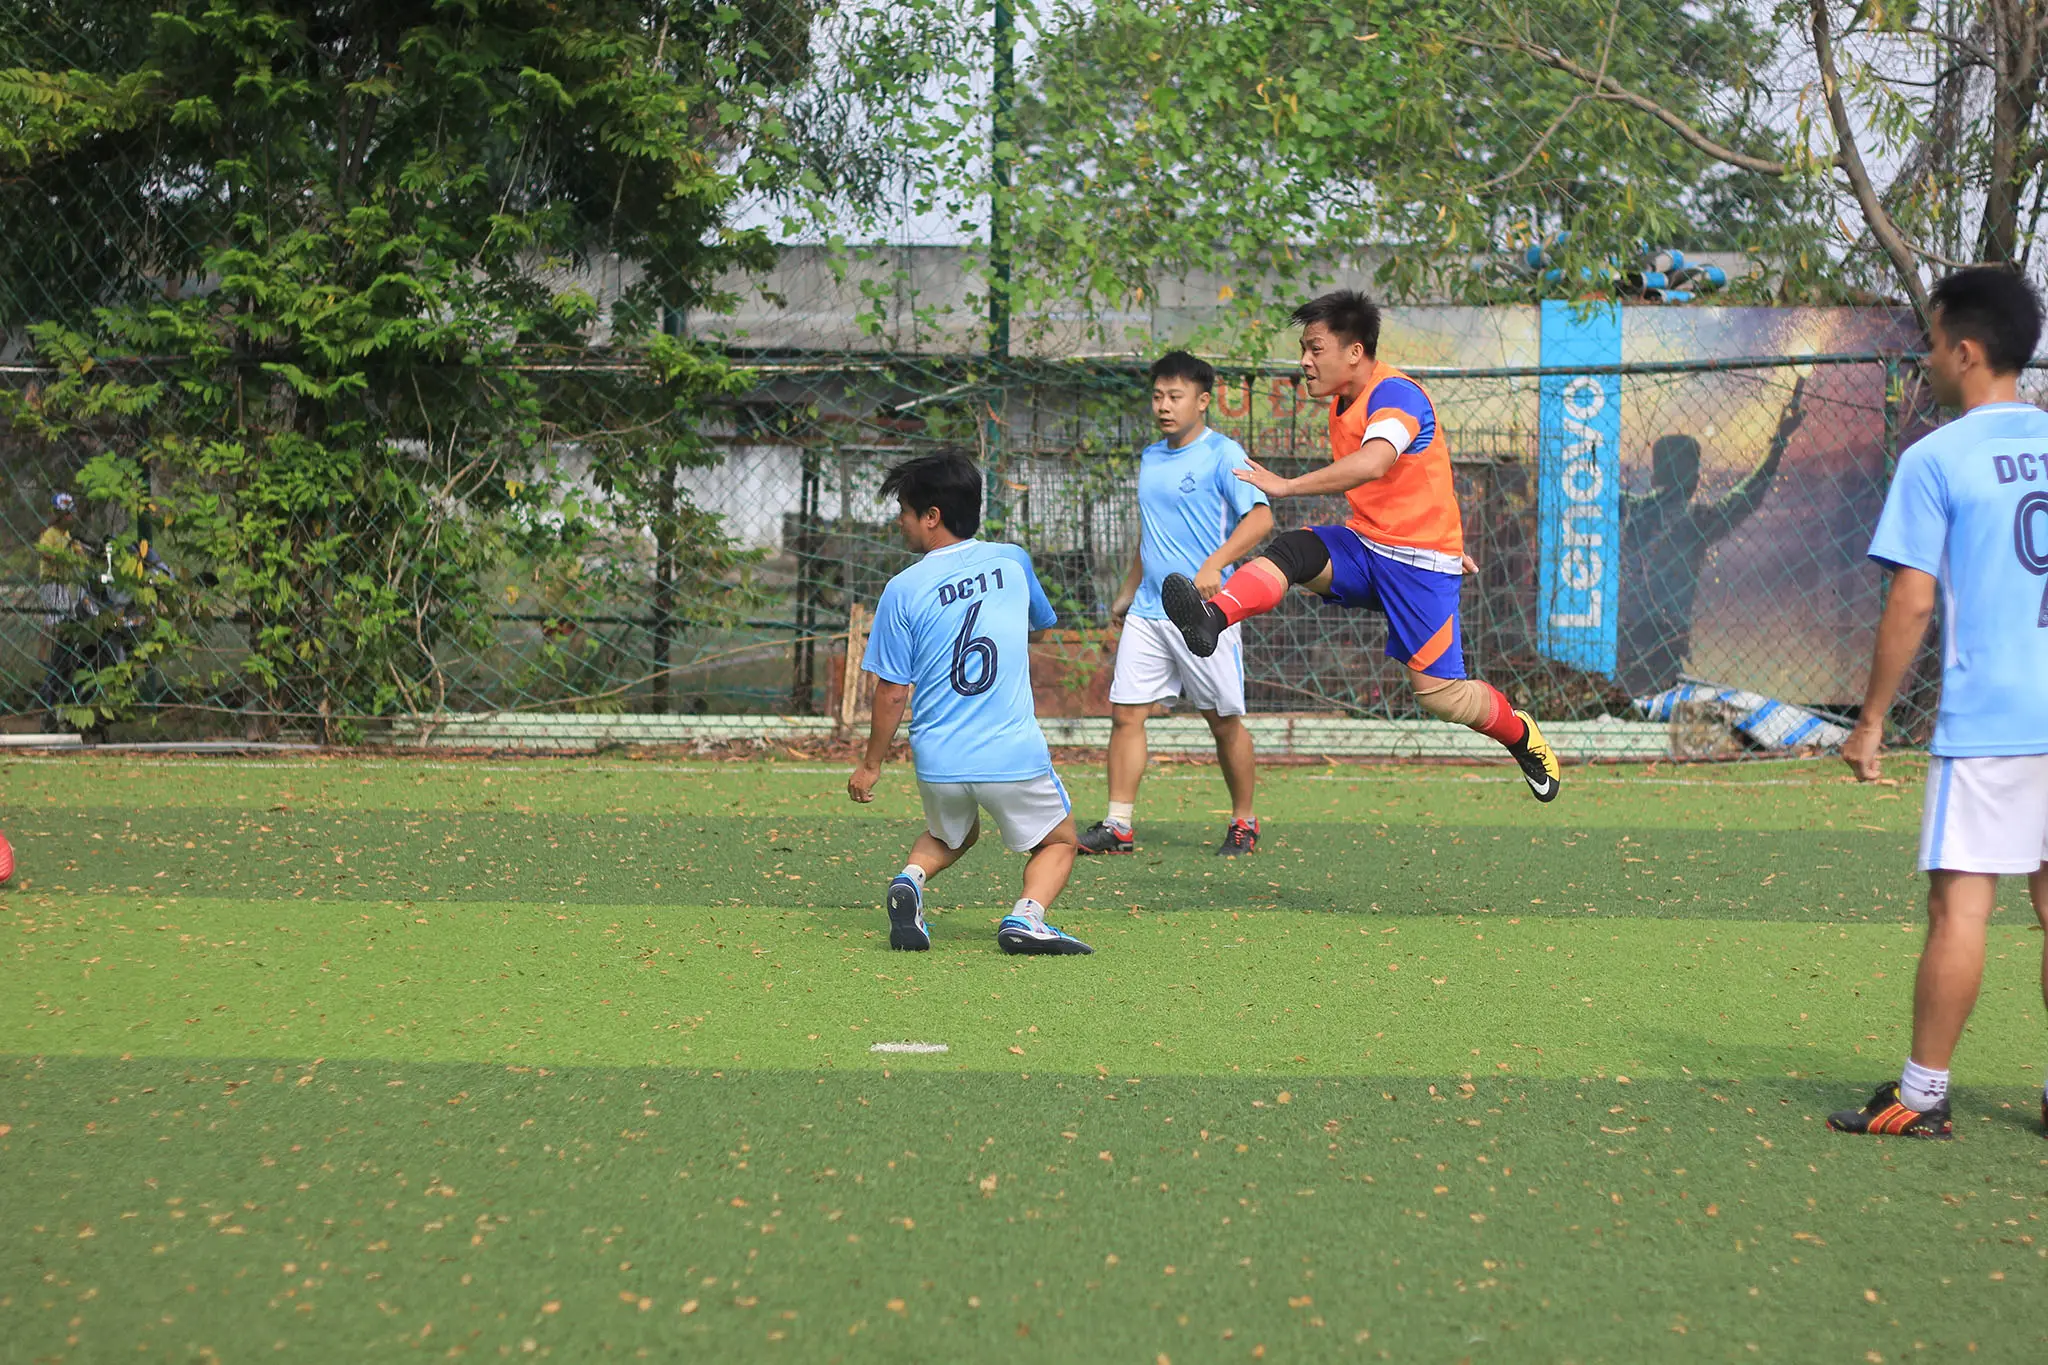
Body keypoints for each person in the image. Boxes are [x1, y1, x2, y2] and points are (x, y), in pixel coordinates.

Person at [1158, 290, 1563, 801]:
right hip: (1368, 547)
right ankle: (1210, 619)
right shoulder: (1342, 402)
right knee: (1294, 551)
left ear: (1354, 352)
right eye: (1303, 349)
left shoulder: (1396, 395)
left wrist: (1288, 485)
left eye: (1315, 348)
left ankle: (1521, 736)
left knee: (1442, 698)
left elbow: (1375, 463)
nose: (1304, 361)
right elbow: (1417, 479)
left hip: (1421, 568)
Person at [1830, 267, 2048, 1140]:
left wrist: (1871, 718)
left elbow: (1913, 601)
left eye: (1930, 342)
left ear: (1964, 351)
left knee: (1961, 908)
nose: (1924, 359)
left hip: (1993, 717)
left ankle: (1921, 1096)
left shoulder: (1936, 458)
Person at [847, 452, 1093, 956]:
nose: (900, 521)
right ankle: (1026, 918)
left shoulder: (901, 589)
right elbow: (1040, 624)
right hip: (1011, 753)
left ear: (931, 517)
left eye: (904, 511)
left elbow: (892, 691)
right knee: (1059, 840)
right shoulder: (1013, 560)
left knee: (951, 835)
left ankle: (910, 880)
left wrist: (871, 765)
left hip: (939, 757)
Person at [1080, 351, 1275, 858]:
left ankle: (1244, 821)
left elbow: (1260, 519)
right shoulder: (1150, 457)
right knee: (1126, 715)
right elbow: (1151, 535)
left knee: (1222, 721)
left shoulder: (1224, 454)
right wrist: (1128, 591)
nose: (1164, 406)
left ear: (1202, 401)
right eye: (1157, 396)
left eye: (1175, 396)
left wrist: (1215, 564)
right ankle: (1118, 824)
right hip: (1149, 611)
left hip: (1206, 612)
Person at [1616, 377, 1809, 697]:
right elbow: (1748, 494)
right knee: (1659, 700)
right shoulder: (1697, 521)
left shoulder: (1630, 510)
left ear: (1654, 476)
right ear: (1694, 481)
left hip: (1625, 634)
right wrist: (1778, 441)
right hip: (1666, 640)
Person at [35, 491, 90, 729]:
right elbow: (45, 553)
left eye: (70, 513)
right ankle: (46, 651)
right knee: (55, 620)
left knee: (68, 619)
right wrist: (64, 556)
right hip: (52, 583)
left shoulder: (68, 536)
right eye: (65, 514)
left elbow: (79, 555)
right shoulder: (49, 534)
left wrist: (80, 553)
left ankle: (62, 650)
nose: (69, 517)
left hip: (65, 584)